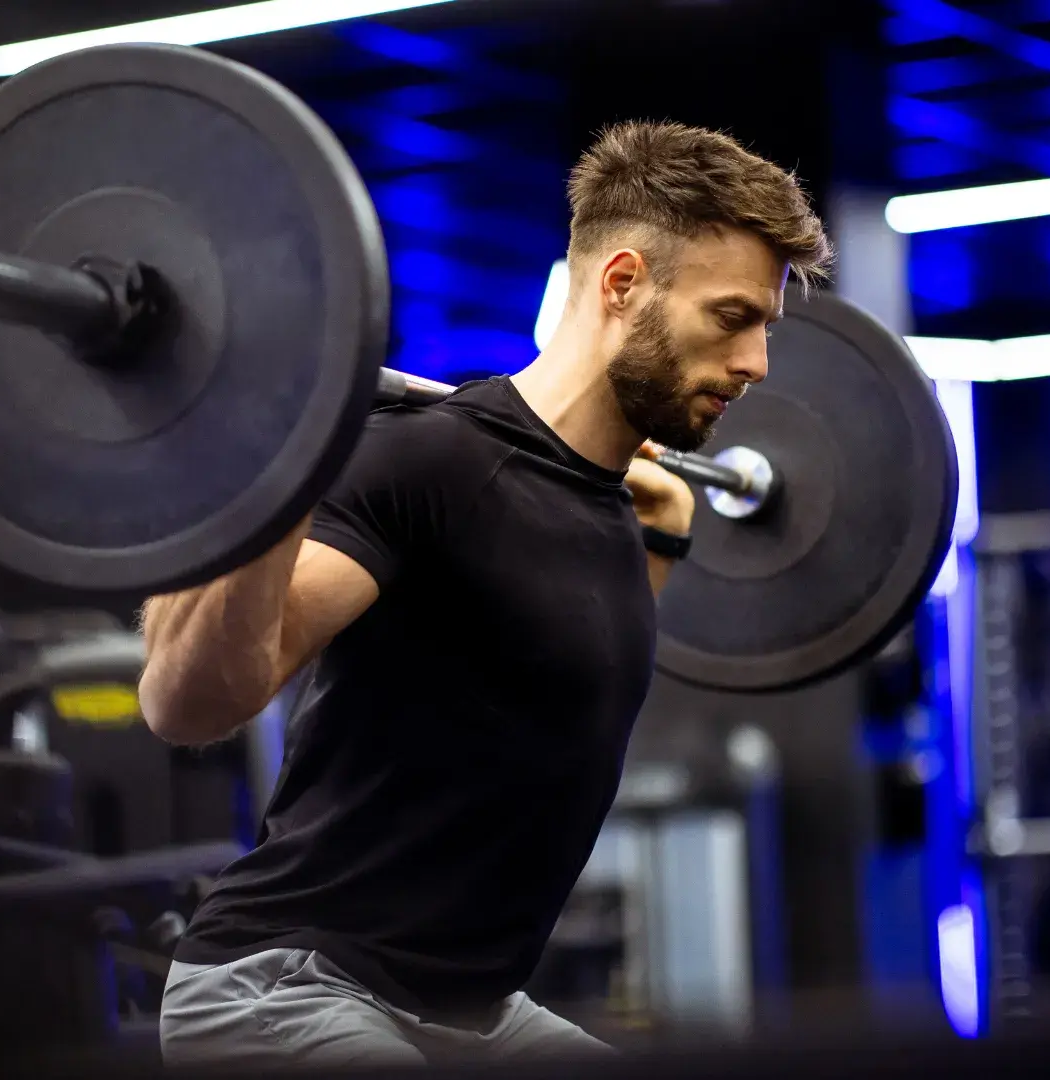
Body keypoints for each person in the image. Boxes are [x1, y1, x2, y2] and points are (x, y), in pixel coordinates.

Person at [136, 120, 832, 1068]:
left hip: (471, 1011)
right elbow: (186, 703)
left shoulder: (621, 510)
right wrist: (277, 462)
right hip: (288, 984)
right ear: (622, 284)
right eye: (731, 318)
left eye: (764, 328)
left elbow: (541, 675)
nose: (756, 363)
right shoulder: (430, 463)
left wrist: (663, 527)